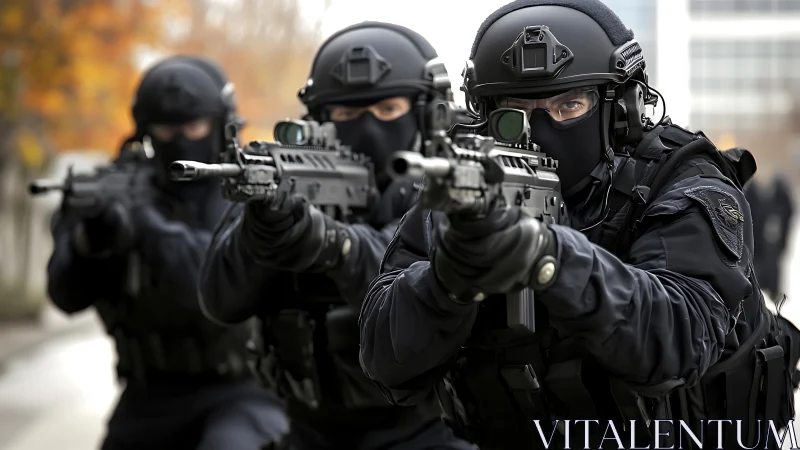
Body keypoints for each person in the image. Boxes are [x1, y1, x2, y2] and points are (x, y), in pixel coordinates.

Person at [359, 1, 797, 449]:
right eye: (516, 111)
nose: (542, 127)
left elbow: (675, 341)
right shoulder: (463, 192)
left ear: (622, 110)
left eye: (570, 104)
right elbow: (385, 360)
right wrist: (447, 281)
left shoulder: (683, 184)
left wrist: (548, 256)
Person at [197, 22, 476, 450]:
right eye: (345, 115)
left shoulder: (450, 189)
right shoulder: (287, 176)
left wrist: (330, 243)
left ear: (426, 116)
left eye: (388, 111)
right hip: (307, 430)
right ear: (320, 120)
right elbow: (220, 300)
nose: (366, 128)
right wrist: (259, 232)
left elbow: (410, 283)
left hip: (426, 431)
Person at [46, 55, 289, 450]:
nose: (179, 140)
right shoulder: (117, 190)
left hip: (244, 392)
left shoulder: (250, 196)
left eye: (193, 127)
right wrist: (91, 242)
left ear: (220, 124)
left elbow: (211, 291)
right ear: (144, 129)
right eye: (165, 128)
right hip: (148, 396)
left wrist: (144, 226)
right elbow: (66, 297)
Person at [745, 173, 795, 300]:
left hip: (767, 242)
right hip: (762, 241)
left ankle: (769, 290)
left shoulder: (778, 199)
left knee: (768, 263)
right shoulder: (756, 196)